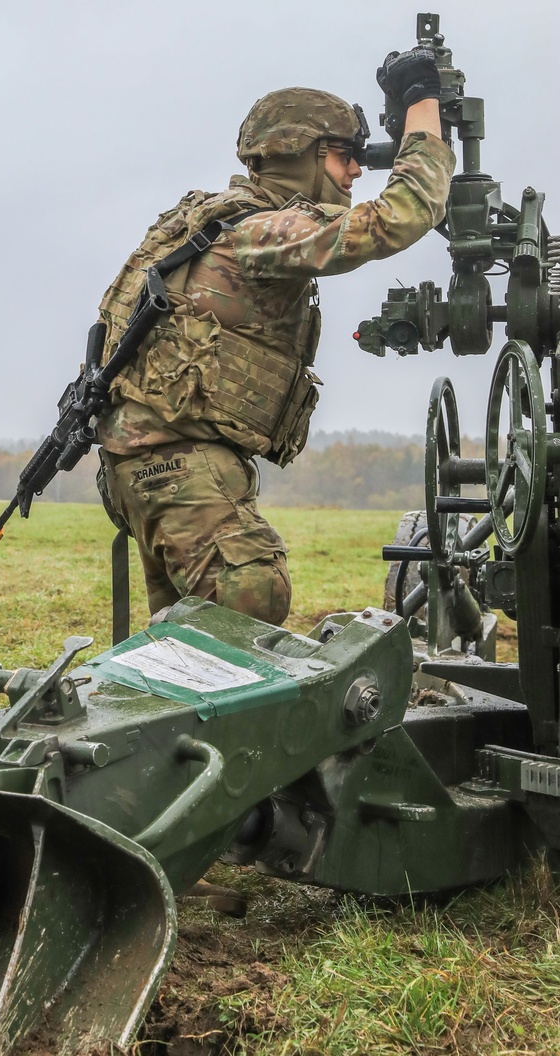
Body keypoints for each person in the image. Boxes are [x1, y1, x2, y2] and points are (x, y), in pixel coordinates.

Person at [96, 48, 453, 625]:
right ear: (305, 156)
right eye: (344, 157)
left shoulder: (210, 222)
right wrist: (422, 107)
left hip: (144, 464)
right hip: (180, 463)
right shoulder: (264, 229)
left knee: (192, 652)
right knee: (252, 594)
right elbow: (402, 215)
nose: (356, 172)